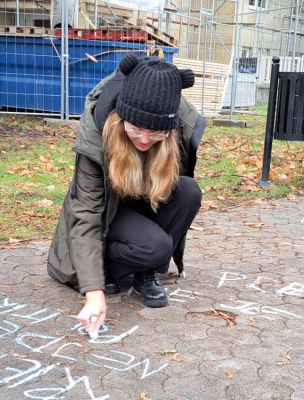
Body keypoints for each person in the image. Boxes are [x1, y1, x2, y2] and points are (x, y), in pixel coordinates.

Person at [47, 55, 205, 337]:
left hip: (139, 203)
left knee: (189, 191)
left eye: (156, 133)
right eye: (135, 129)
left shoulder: (177, 123)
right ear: (120, 119)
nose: (144, 140)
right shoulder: (97, 131)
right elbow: (86, 214)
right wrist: (93, 293)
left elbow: (174, 194)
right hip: (107, 210)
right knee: (156, 246)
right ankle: (103, 268)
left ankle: (146, 272)